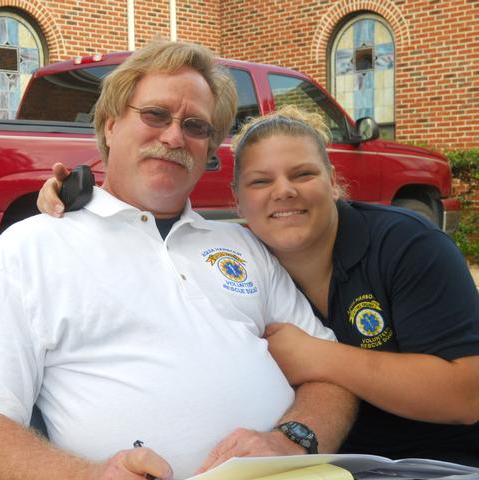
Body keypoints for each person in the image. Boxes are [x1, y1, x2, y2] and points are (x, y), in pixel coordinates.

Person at [0, 41, 357, 480]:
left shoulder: (243, 245)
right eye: (155, 115)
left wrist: (289, 440)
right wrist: (90, 477)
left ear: (209, 149)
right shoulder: (29, 250)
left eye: (196, 126)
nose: (174, 137)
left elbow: (331, 376)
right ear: (111, 125)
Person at [39, 105, 479, 467]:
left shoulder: (407, 246)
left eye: (303, 174)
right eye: (261, 181)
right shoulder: (243, 252)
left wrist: (316, 357)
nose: (283, 191)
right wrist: (80, 200)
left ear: (333, 181)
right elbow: (138, 230)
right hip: (323, 466)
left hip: (436, 461)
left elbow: (467, 395)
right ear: (238, 198)